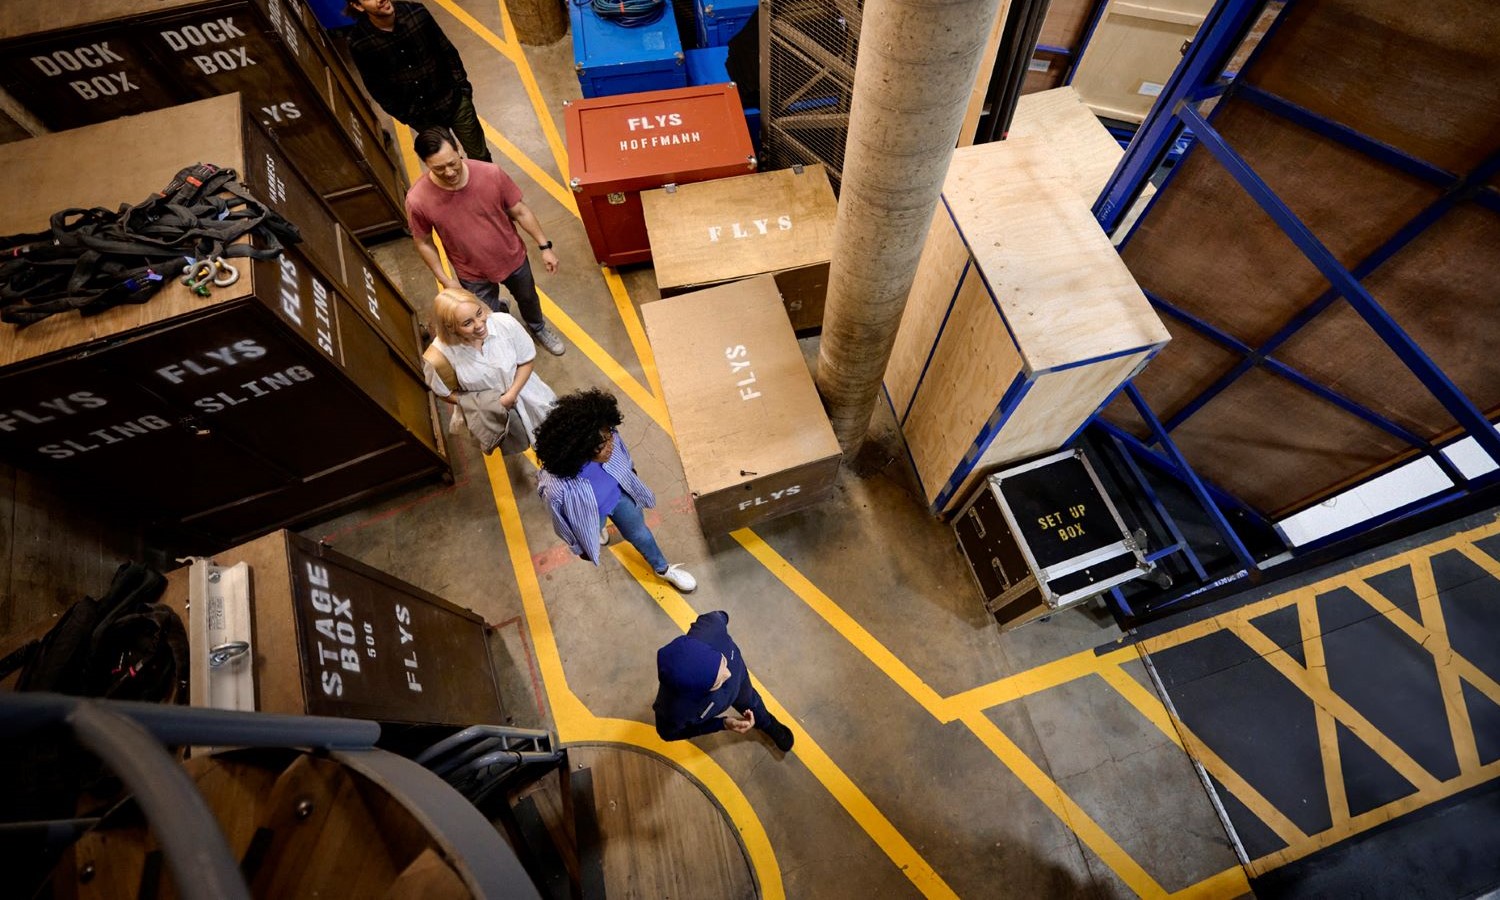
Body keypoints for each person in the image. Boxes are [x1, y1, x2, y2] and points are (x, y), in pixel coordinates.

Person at [407, 127, 567, 357]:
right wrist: (445, 280)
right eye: (439, 168)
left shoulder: (491, 174)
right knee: (483, 317)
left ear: (458, 148)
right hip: (471, 274)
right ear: (425, 164)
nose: (450, 172)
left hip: (513, 258)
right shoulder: (418, 199)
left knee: (528, 298)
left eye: (453, 163)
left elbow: (520, 211)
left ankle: (538, 327)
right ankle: (504, 338)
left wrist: (545, 247)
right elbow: (423, 241)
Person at [535, 389, 697, 593]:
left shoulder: (609, 436)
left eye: (609, 436)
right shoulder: (556, 487)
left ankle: (662, 569)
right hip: (591, 515)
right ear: (578, 449)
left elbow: (623, 456)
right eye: (601, 446)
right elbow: (561, 522)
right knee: (595, 527)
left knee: (641, 534)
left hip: (619, 498)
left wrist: (631, 471)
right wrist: (579, 545)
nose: (610, 446)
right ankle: (599, 529)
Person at [345, 0, 493, 163]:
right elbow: (377, 87)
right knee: (447, 161)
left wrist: (463, 91)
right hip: (423, 117)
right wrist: (406, 115)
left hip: (454, 100)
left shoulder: (417, 13)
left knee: (481, 157)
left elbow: (447, 51)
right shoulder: (360, 43)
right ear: (358, 6)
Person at [423, 288, 557, 444]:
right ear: (450, 327)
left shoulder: (503, 323)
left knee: (549, 432)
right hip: (489, 413)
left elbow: (526, 360)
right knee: (515, 441)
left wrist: (511, 395)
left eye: (479, 313)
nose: (480, 325)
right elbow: (444, 393)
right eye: (467, 323)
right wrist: (486, 403)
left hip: (527, 392)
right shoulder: (440, 356)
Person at [654, 610, 795, 753]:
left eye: (722, 661)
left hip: (741, 685)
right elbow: (669, 734)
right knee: (750, 701)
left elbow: (721, 616)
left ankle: (767, 723)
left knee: (752, 702)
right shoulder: (675, 712)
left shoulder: (710, 626)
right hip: (722, 695)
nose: (728, 673)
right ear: (696, 693)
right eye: (717, 682)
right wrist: (723, 724)